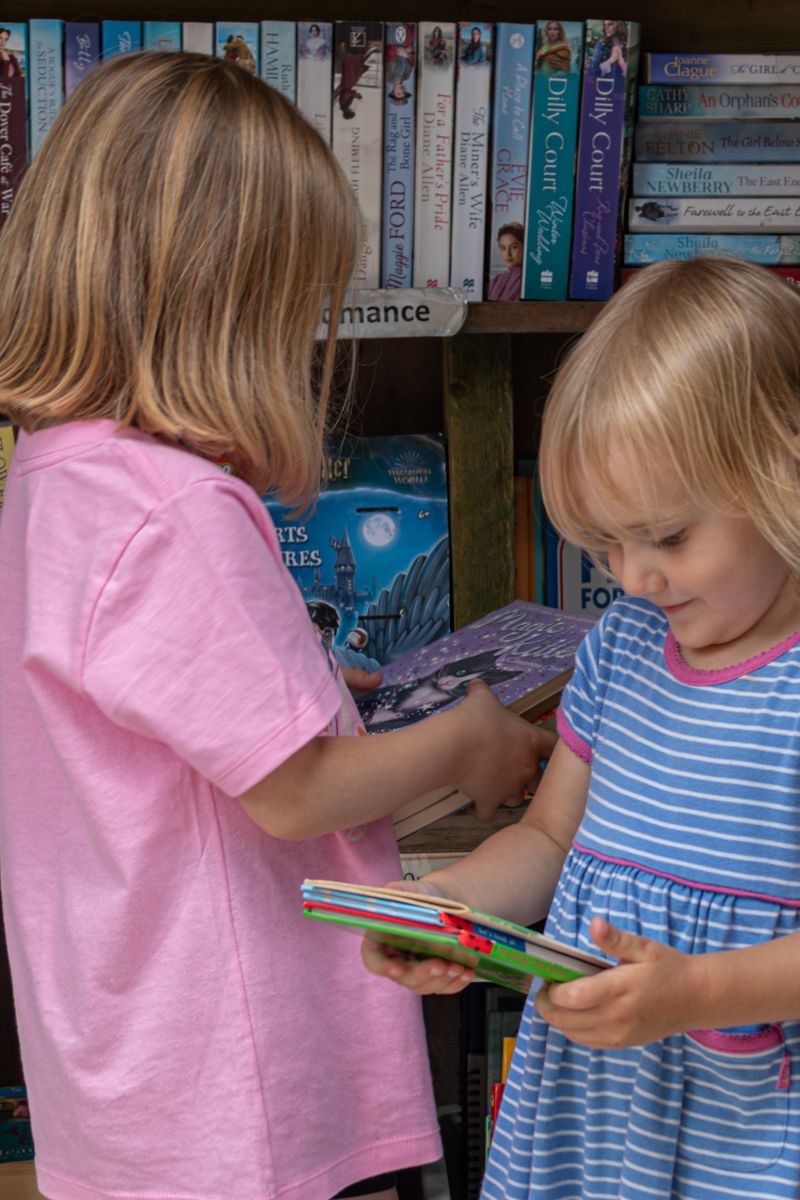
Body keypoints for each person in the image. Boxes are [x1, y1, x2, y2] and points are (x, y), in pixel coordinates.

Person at [0, 51, 556, 1200]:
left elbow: (136, 726)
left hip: (132, 1072)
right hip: (248, 1087)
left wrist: (311, 674)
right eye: (299, 309)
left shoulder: (53, 478)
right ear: (226, 306)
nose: (307, 346)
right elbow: (295, 791)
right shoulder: (176, 505)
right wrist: (465, 739)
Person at [364, 256, 800, 1200]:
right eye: (606, 546)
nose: (636, 577)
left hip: (754, 1114)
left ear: (785, 471)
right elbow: (551, 837)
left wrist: (699, 994)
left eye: (669, 537)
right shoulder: (624, 647)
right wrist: (452, 912)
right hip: (601, 1106)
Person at [488, 222, 524, 301]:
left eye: (514, 247)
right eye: (503, 248)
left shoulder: (526, 281)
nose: (507, 253)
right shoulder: (495, 280)